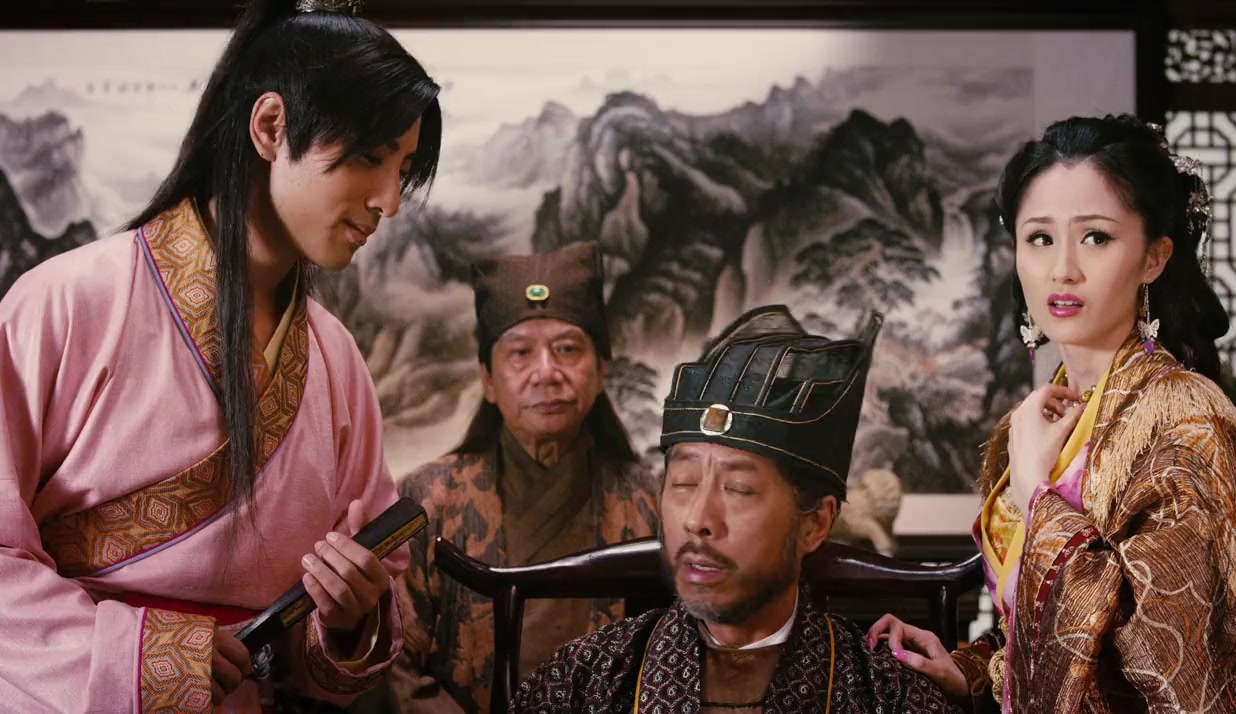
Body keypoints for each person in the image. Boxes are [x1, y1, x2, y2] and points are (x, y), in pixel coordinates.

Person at [0, 0, 443, 710]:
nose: (389, 201)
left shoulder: (335, 359)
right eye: (370, 157)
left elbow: (349, 615)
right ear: (271, 127)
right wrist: (146, 660)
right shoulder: (65, 304)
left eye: (405, 169)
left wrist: (347, 619)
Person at [868, 115, 1236, 712]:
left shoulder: (1184, 421)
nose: (1063, 269)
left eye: (1096, 237)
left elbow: (1169, 664)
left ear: (1154, 257)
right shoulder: (1040, 418)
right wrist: (969, 669)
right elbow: (1029, 632)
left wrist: (1036, 494)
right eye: (1040, 238)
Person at [512, 305, 963, 713]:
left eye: (739, 488)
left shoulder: (888, 695)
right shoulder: (580, 683)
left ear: (816, 523)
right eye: (683, 483)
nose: (698, 520)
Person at [382, 241, 658, 713]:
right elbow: (392, 662)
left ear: (600, 371)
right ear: (488, 380)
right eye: (520, 353)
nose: (546, 373)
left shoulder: (652, 500)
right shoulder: (427, 500)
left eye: (567, 349)